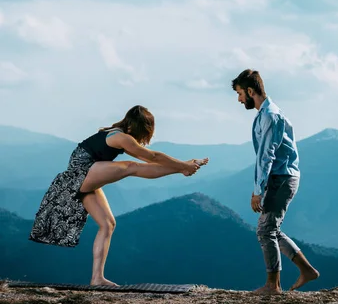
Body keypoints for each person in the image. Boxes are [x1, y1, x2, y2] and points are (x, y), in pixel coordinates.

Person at [29, 105, 208, 287]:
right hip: (78, 175)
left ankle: (97, 278)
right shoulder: (119, 137)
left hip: (85, 177)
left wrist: (182, 166)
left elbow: (148, 160)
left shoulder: (118, 135)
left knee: (108, 224)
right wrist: (183, 166)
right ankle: (183, 169)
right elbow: (152, 156)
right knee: (131, 167)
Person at [231, 70, 319, 294]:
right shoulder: (266, 114)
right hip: (281, 177)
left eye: (241, 94)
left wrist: (257, 191)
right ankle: (306, 270)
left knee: (265, 230)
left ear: (251, 91)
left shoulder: (270, 116)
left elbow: (266, 155)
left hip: (282, 178)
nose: (239, 99)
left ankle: (273, 285)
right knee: (271, 229)